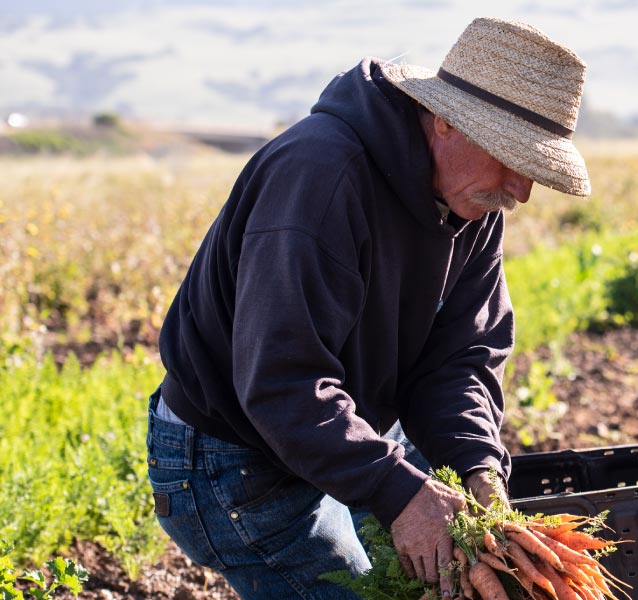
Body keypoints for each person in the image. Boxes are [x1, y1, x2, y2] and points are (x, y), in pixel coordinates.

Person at [146, 18, 589, 599]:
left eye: (532, 169)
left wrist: (480, 472)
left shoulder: (473, 203)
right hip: (233, 457)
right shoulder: (319, 178)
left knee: (460, 573)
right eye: (510, 158)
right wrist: (400, 493)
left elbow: (460, 360)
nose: (521, 191)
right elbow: (281, 382)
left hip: (338, 428)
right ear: (446, 120)